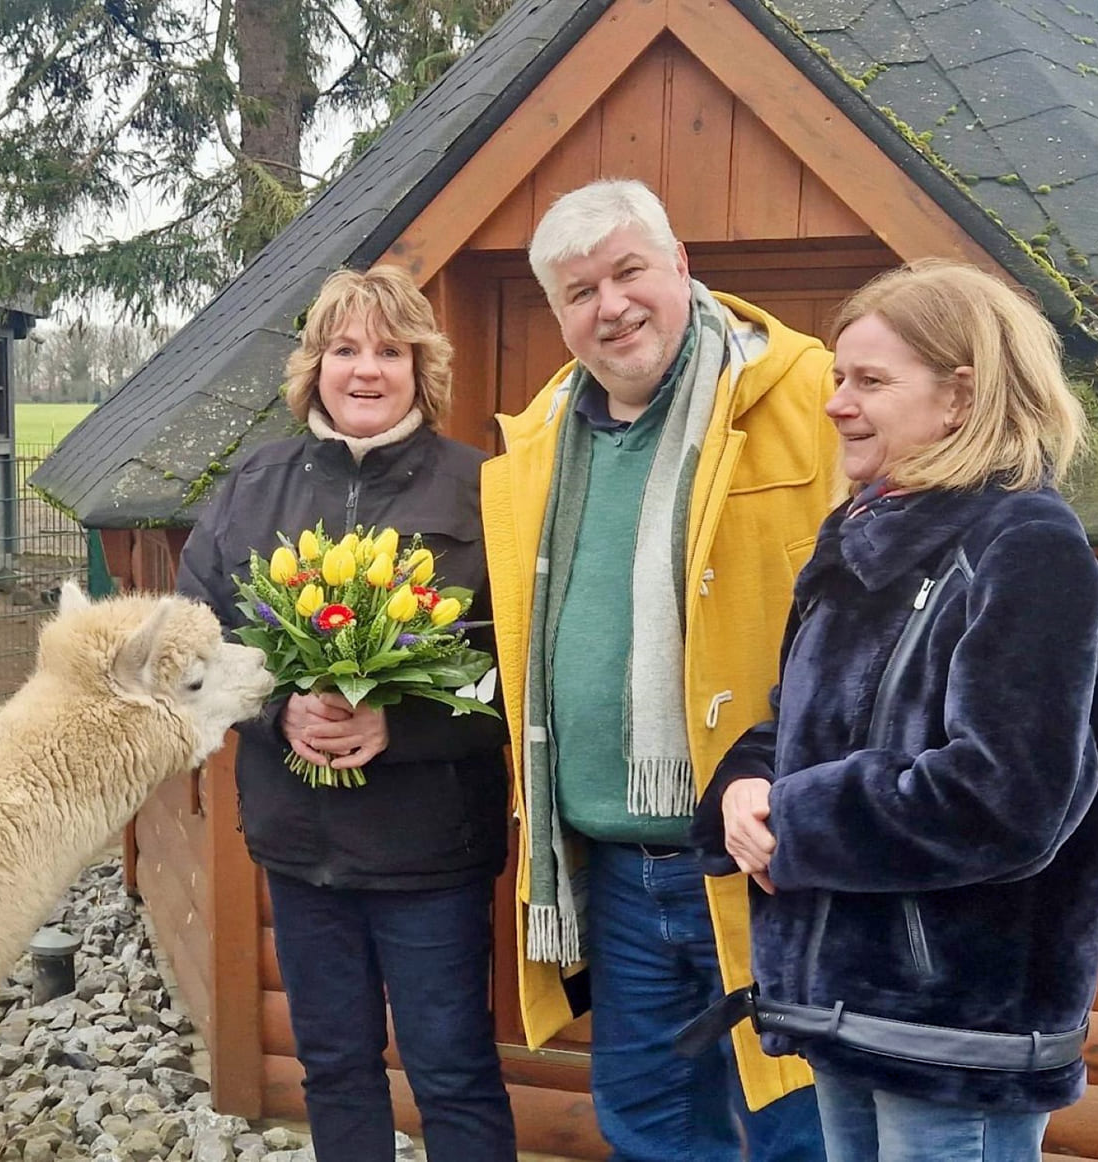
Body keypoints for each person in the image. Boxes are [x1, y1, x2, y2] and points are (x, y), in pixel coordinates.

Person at [692, 259, 1098, 1162]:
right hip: (847, 1006)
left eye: (870, 381)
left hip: (957, 1032)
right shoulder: (863, 532)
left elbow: (1007, 800)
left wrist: (798, 819)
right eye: (838, 379)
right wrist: (743, 785)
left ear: (961, 397)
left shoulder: (1029, 548)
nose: (835, 404)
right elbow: (802, 723)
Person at [481, 178, 834, 1162]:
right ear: (558, 314)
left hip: (773, 864)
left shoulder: (809, 394)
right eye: (580, 291)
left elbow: (946, 513)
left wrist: (1070, 621)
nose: (612, 306)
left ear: (679, 264)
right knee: (651, 1129)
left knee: (800, 1130)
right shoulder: (541, 441)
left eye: (630, 270)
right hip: (620, 874)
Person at [176, 265, 516, 1162]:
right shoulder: (253, 488)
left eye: (390, 351)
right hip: (301, 845)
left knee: (451, 1068)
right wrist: (278, 712)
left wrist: (396, 731)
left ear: (420, 369)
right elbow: (192, 647)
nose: (366, 370)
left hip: (431, 851)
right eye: (345, 348)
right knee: (332, 1066)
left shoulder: (484, 494)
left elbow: (523, 677)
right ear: (314, 366)